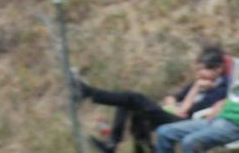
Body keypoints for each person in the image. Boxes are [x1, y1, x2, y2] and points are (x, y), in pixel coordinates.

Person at [75, 46, 230, 152]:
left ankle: (89, 93)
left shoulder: (220, 91)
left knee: (133, 98)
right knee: (128, 103)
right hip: (169, 113)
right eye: (199, 70)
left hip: (183, 122)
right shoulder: (199, 83)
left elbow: (186, 111)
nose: (199, 74)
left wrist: (196, 88)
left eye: (204, 70)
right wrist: (173, 101)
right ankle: (112, 143)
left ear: (218, 69)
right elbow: (172, 97)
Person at [154, 37, 239, 153]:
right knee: (164, 132)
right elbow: (237, 95)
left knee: (190, 142)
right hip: (219, 118)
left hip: (237, 125)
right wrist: (221, 103)